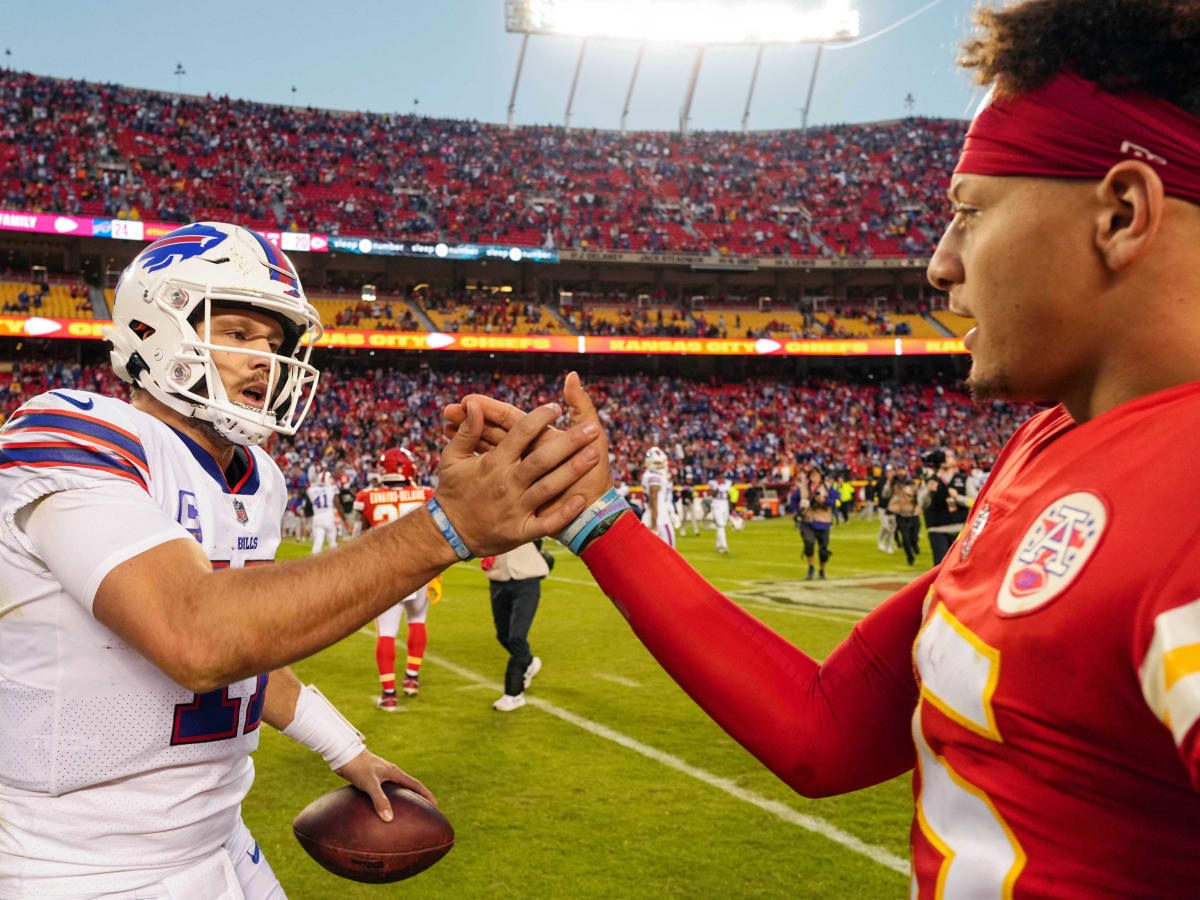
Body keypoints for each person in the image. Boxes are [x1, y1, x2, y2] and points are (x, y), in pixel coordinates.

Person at [448, 3, 1200, 891]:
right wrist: (593, 516)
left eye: (969, 213)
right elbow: (826, 728)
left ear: (1121, 212)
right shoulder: (1053, 445)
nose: (940, 264)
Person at [0, 222, 600, 898]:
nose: (266, 359)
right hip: (77, 865)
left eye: (276, 342)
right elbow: (196, 634)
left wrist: (346, 748)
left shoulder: (258, 476)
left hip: (215, 835)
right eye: (237, 333)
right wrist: (446, 528)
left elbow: (246, 660)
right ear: (152, 327)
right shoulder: (66, 433)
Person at [352, 447, 435, 708]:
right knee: (417, 620)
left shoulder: (367, 496)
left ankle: (389, 694)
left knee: (386, 633)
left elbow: (358, 537)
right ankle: (411, 678)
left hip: (387, 573)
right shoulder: (426, 494)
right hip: (420, 570)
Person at [481, 541, 549, 712]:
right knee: (503, 636)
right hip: (498, 578)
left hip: (528, 578)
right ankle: (529, 661)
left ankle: (514, 694)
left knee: (517, 638)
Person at [919, 449, 970, 565]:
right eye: (942, 457)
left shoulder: (964, 479)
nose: (944, 459)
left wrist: (958, 498)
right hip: (937, 529)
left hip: (960, 529)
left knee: (960, 566)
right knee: (940, 567)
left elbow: (976, 502)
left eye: (947, 456)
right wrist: (928, 491)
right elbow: (921, 504)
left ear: (954, 460)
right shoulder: (929, 480)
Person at [794, 467, 836, 580]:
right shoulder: (803, 487)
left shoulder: (828, 487)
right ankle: (811, 567)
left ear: (820, 476)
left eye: (816, 474)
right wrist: (797, 511)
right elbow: (794, 499)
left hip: (823, 520)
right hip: (807, 520)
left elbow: (836, 500)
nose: (814, 476)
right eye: (812, 474)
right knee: (809, 543)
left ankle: (822, 570)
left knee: (823, 549)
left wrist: (824, 501)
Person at [882, 465, 921, 566]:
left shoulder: (912, 483)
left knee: (914, 536)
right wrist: (888, 482)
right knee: (905, 537)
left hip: (913, 513)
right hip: (900, 514)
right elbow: (885, 495)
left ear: (905, 471)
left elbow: (918, 498)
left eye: (902, 469)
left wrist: (918, 509)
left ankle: (915, 545)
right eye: (898, 469)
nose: (900, 472)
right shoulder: (893, 483)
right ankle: (910, 557)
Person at [640, 446, 674, 546]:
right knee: (671, 553)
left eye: (661, 463)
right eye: (657, 463)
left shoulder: (647, 475)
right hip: (661, 519)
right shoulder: (654, 476)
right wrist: (655, 526)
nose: (660, 466)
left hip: (649, 517)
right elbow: (654, 501)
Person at [306, 468, 339, 554]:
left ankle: (313, 562)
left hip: (317, 517)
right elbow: (337, 502)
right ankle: (337, 562)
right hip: (328, 516)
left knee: (318, 543)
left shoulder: (311, 490)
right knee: (333, 543)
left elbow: (312, 485)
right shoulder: (332, 489)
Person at [708, 472, 733, 553]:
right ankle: (725, 546)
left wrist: (731, 509)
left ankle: (717, 546)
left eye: (723, 477)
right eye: (720, 477)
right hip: (717, 505)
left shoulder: (728, 483)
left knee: (721, 526)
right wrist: (717, 487)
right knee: (721, 525)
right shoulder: (713, 483)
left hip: (725, 505)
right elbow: (713, 495)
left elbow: (729, 496)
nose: (721, 479)